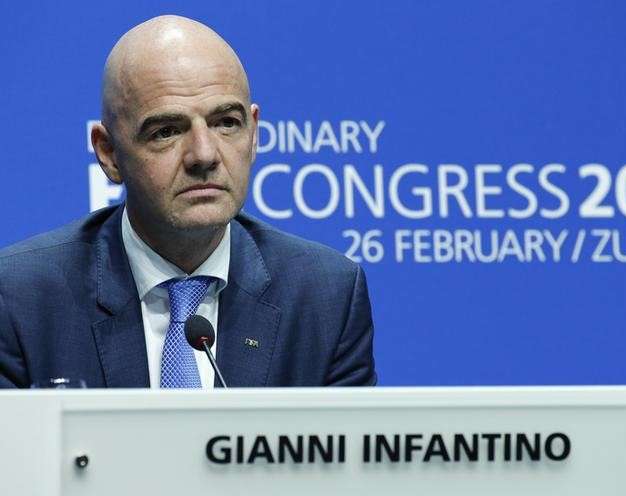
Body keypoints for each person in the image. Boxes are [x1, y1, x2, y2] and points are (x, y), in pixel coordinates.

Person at [0, 15, 376, 388]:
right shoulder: (20, 301)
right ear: (109, 153)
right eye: (166, 131)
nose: (204, 154)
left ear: (255, 132)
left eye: (227, 123)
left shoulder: (326, 297)